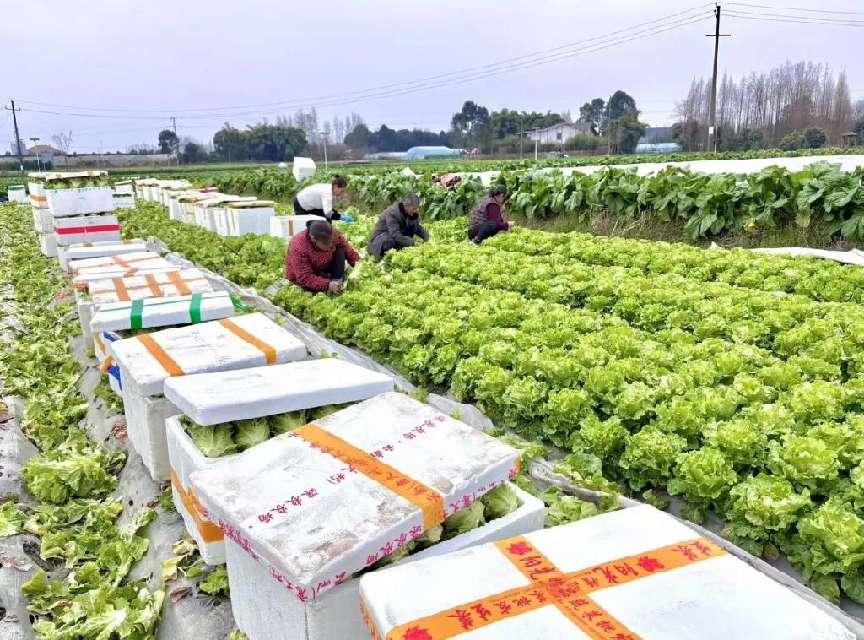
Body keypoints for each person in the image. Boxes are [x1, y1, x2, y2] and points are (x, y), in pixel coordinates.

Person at [285, 219, 360, 295]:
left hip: (323, 264)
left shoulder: (333, 233)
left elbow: (347, 249)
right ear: (313, 239)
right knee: (312, 285)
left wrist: (358, 263)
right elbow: (304, 277)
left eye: (332, 241)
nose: (331, 245)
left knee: (340, 250)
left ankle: (336, 280)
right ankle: (329, 283)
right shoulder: (299, 245)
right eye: (326, 244)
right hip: (308, 273)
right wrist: (327, 285)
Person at [368, 193, 429, 260]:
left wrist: (426, 237)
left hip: (393, 236)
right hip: (379, 242)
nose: (416, 210)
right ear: (406, 206)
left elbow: (416, 227)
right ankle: (385, 259)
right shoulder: (393, 213)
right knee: (389, 242)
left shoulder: (410, 213)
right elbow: (395, 235)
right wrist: (413, 243)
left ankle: (398, 253)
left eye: (417, 208)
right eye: (414, 208)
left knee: (408, 232)